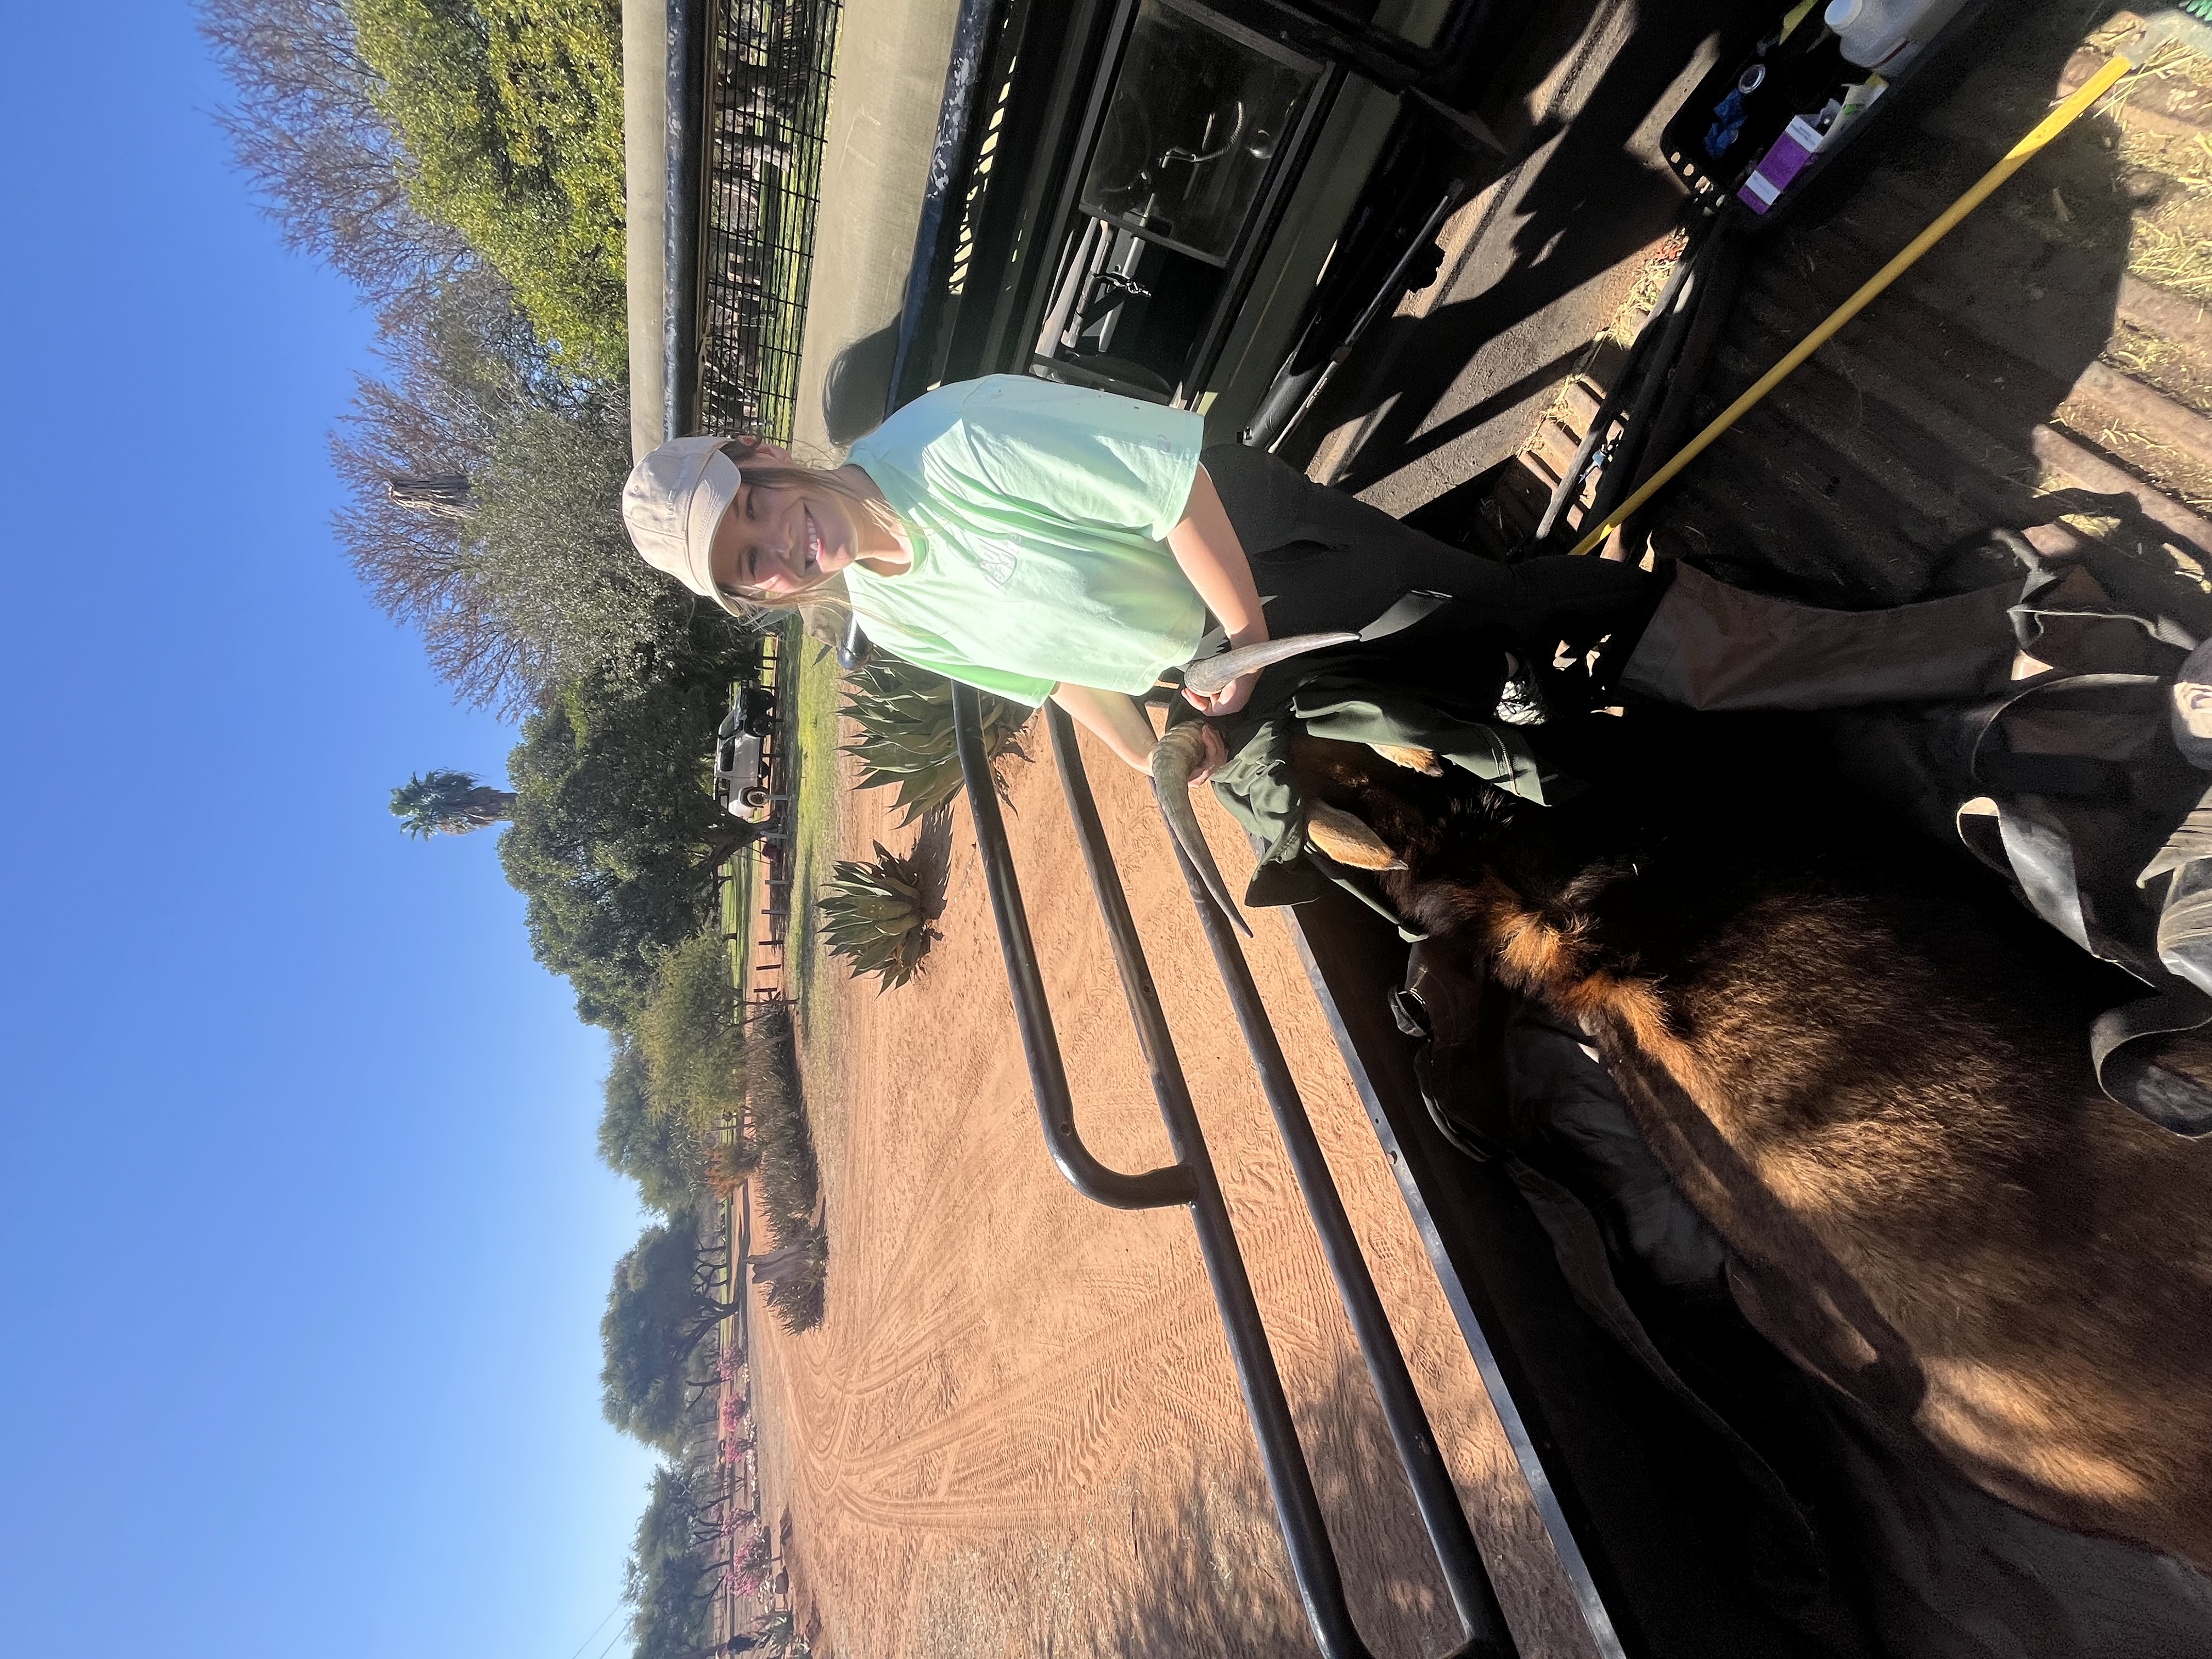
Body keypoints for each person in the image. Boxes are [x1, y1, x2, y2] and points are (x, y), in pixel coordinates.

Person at [620, 374, 2025, 782]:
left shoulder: (959, 436)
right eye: (753, 571)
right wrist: (1174, 765)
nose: (780, 551)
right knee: (1453, 735)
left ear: (762, 457)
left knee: (1492, 624)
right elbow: (1057, 679)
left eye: (759, 514)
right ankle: (1632, 755)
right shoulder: (891, 612)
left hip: (1256, 555)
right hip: (1216, 664)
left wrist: (1244, 639)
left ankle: (1888, 652)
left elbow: (1171, 489)